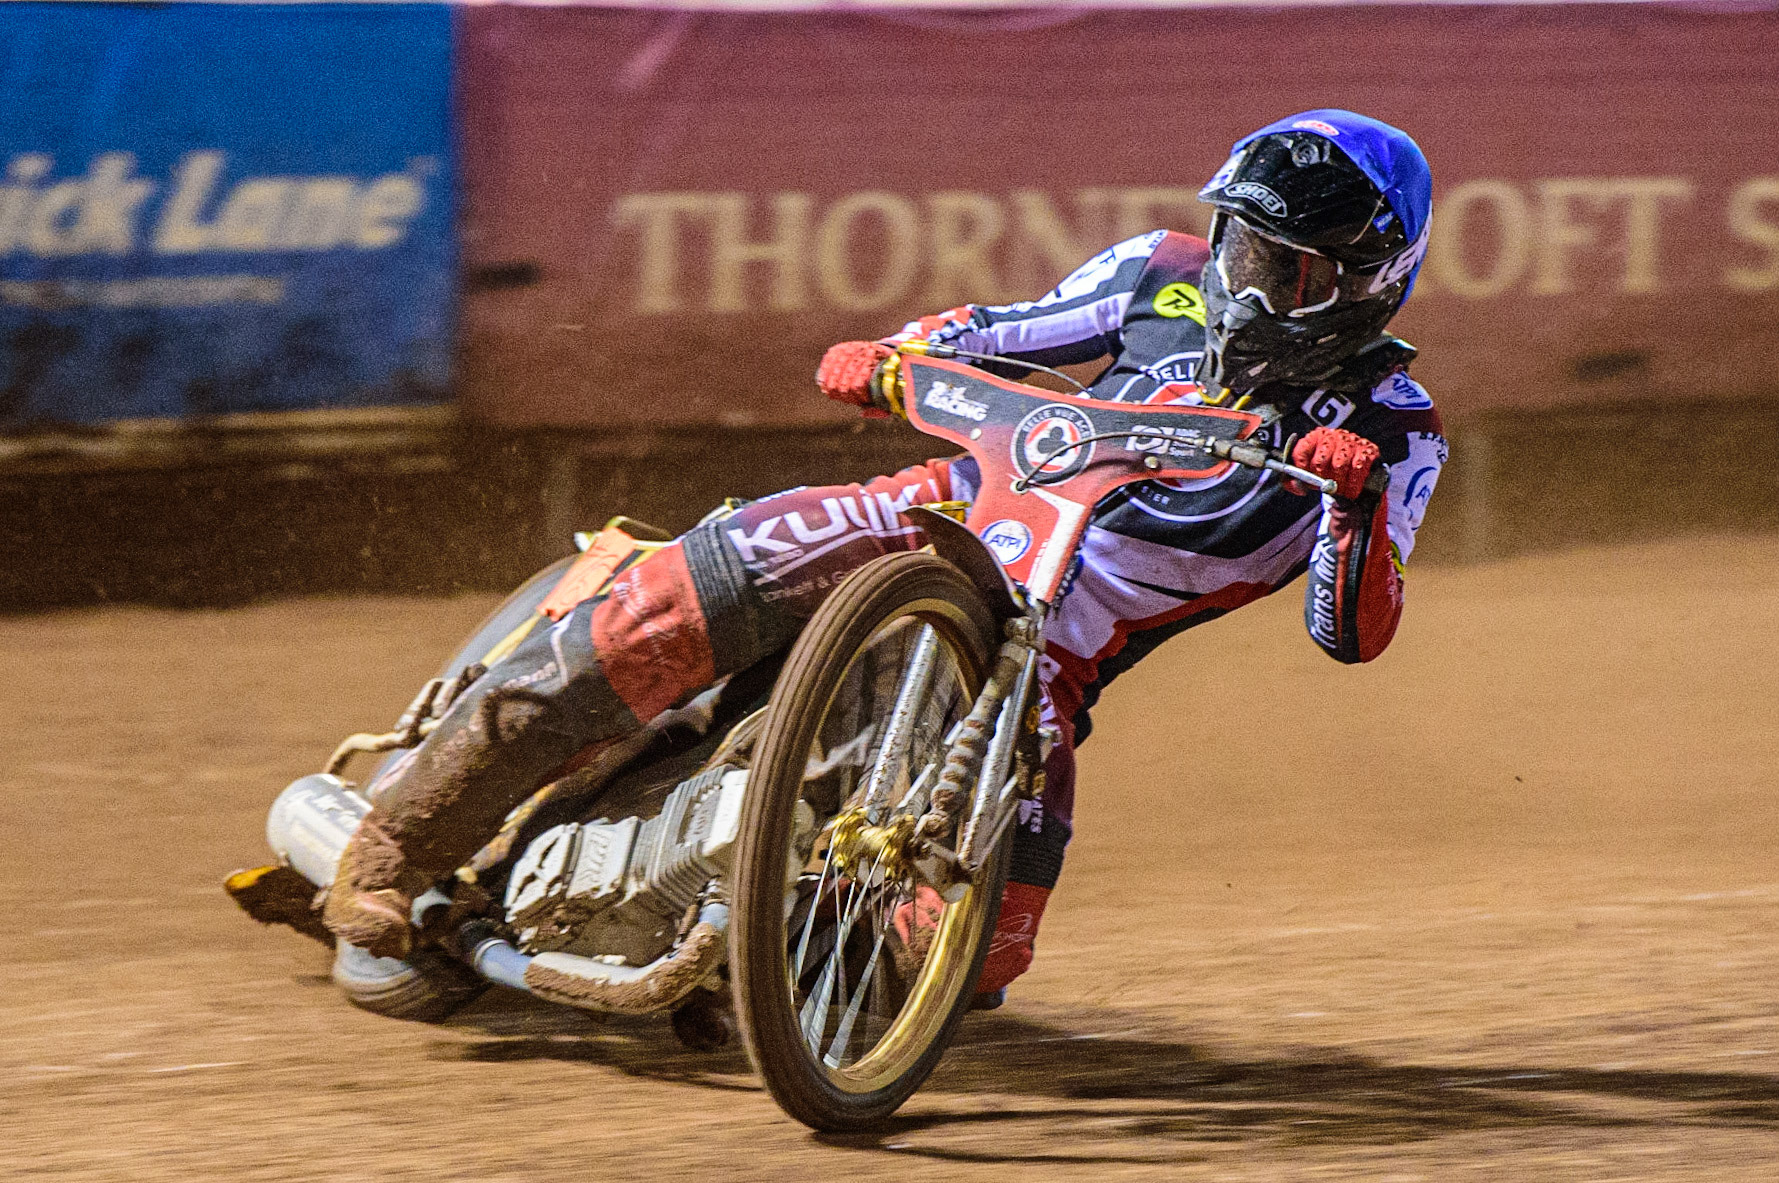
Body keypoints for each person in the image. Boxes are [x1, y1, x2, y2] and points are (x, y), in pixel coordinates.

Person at [323, 109, 1448, 1006]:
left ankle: (765, 952)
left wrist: (1348, 505)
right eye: (1244, 246)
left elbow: (1350, 634)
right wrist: (896, 353)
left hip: (1049, 658)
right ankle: (392, 853)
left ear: (1368, 279)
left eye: (1286, 269)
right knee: (667, 604)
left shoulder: (1394, 429)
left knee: (979, 963)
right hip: (939, 512)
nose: (1246, 284)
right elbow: (996, 332)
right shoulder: (1157, 269)